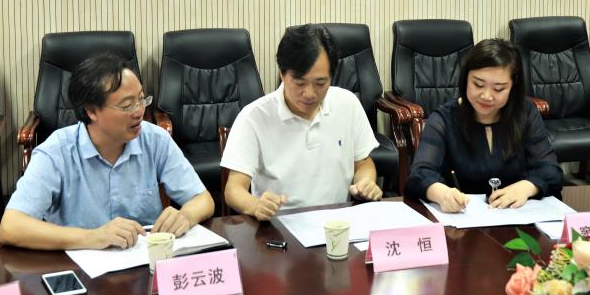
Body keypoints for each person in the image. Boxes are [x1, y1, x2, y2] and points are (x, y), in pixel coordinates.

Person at [0, 53, 215, 251]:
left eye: (142, 99)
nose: (139, 112)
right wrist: (94, 237)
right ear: (91, 111)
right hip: (81, 266)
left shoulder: (155, 140)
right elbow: (11, 227)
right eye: (127, 105)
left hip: (143, 262)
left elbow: (203, 200)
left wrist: (185, 216)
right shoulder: (57, 152)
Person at [221, 24, 382, 221]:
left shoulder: (347, 104)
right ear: (282, 74)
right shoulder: (253, 117)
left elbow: (363, 163)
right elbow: (233, 189)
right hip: (279, 225)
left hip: (336, 223)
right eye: (300, 83)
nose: (309, 94)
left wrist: (366, 183)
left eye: (320, 83)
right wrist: (255, 205)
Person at [405, 38, 563, 212]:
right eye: (478, 84)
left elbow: (551, 171)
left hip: (517, 218)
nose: (486, 96)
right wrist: (441, 194)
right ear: (465, 79)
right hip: (462, 219)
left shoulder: (525, 113)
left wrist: (526, 187)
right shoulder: (444, 119)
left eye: (499, 89)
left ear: (513, 86)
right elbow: (419, 176)